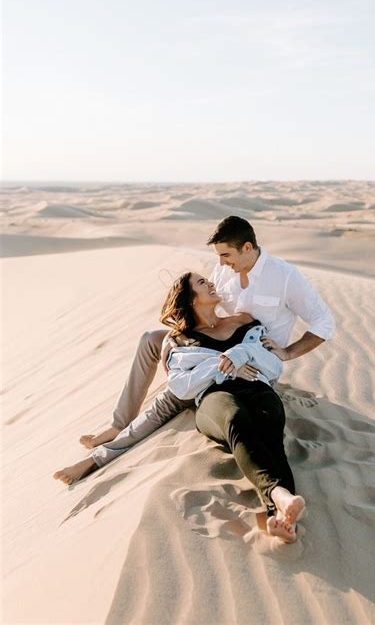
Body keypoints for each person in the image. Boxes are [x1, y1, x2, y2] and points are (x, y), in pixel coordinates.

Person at [54, 272, 306, 544]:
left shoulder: (244, 321)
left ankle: (281, 512)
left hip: (256, 389)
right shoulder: (181, 341)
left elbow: (271, 364)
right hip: (210, 393)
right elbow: (178, 389)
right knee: (225, 419)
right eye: (201, 283)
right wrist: (222, 365)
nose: (210, 283)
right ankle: (279, 497)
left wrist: (243, 355)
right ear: (190, 300)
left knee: (270, 430)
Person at [79, 216, 335, 449]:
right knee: (151, 339)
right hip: (214, 345)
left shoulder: (285, 277)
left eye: (226, 255)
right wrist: (175, 341)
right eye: (218, 257)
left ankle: (124, 441)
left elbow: (323, 321)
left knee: (176, 393)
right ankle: (118, 424)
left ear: (247, 248)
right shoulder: (225, 270)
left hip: (253, 362)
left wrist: (288, 352)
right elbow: (202, 305)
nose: (221, 263)